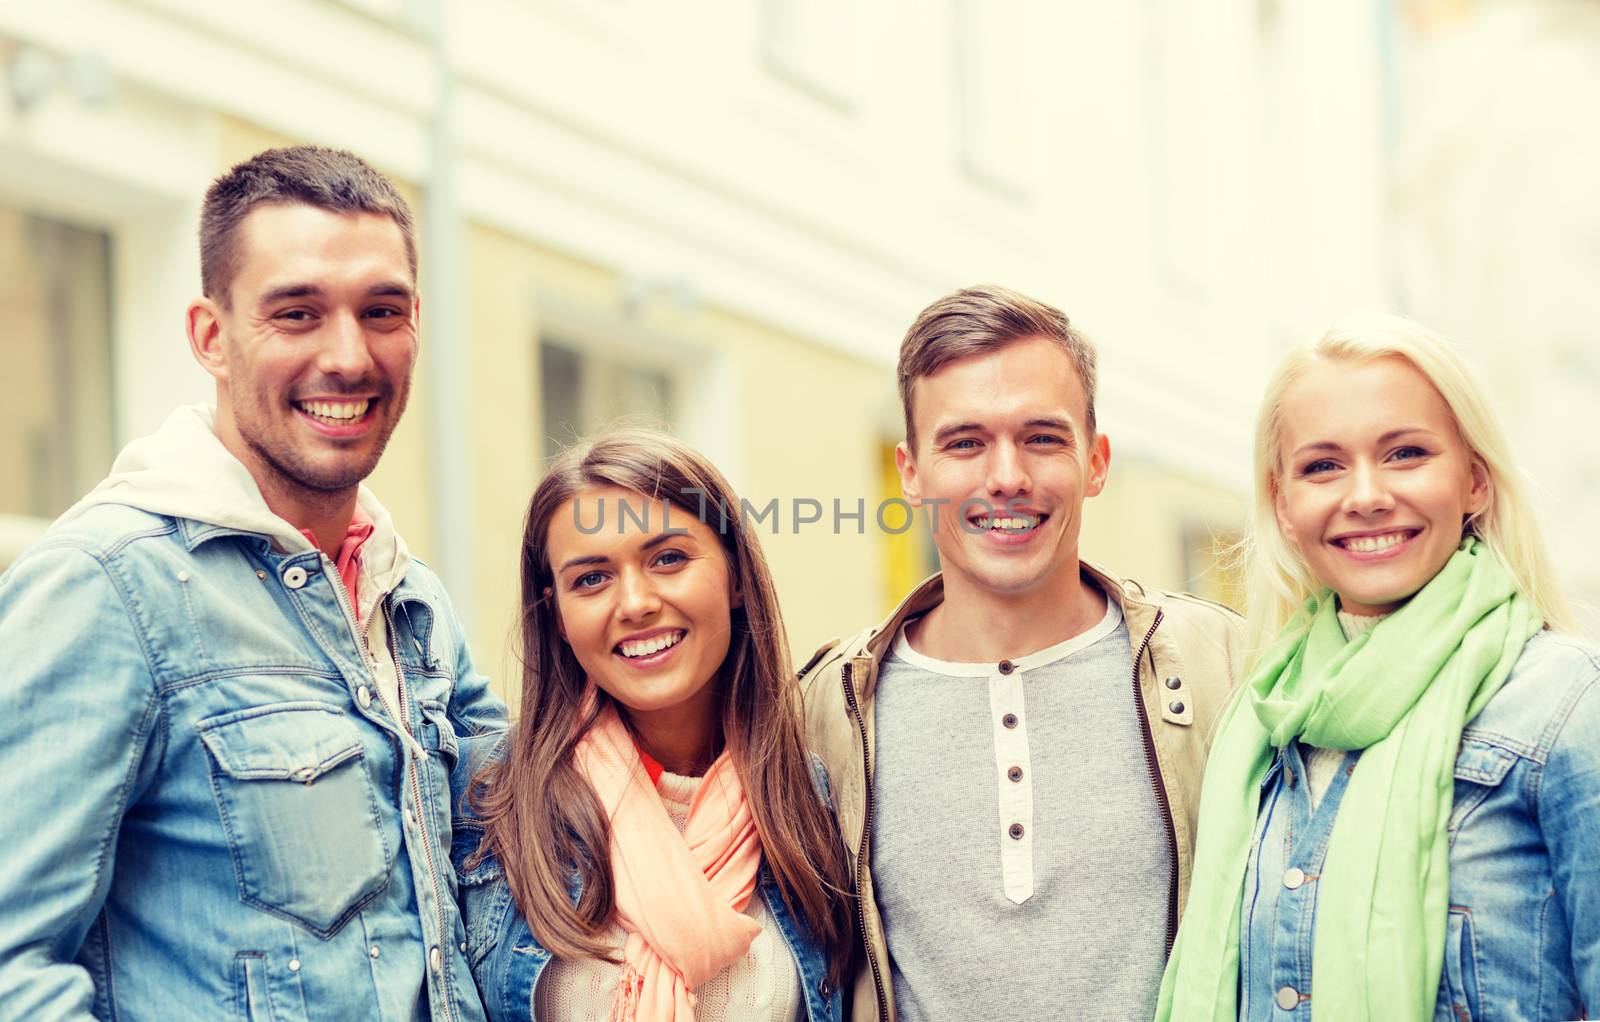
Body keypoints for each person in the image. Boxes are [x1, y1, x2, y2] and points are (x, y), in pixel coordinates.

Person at [0, 146, 507, 1021]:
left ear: (416, 323)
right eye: (297, 313)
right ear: (211, 336)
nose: (348, 356)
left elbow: (538, 826)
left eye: (380, 311)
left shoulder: (409, 598)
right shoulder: (105, 587)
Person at [800, 285, 1246, 1022]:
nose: (1006, 476)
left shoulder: (1223, 667)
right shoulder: (825, 711)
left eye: (1041, 437)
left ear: (1096, 461)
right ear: (912, 472)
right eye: (965, 442)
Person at [1157, 314, 1599, 1022]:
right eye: (1323, 465)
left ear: (1475, 482)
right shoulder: (1264, 717)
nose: (1364, 495)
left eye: (1405, 454)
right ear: (1284, 502)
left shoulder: (1566, 700)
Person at [451, 428, 854, 1022]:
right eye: (591, 578)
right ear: (557, 615)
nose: (635, 602)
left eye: (668, 559)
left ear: (736, 577)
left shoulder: (808, 801)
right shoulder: (484, 799)